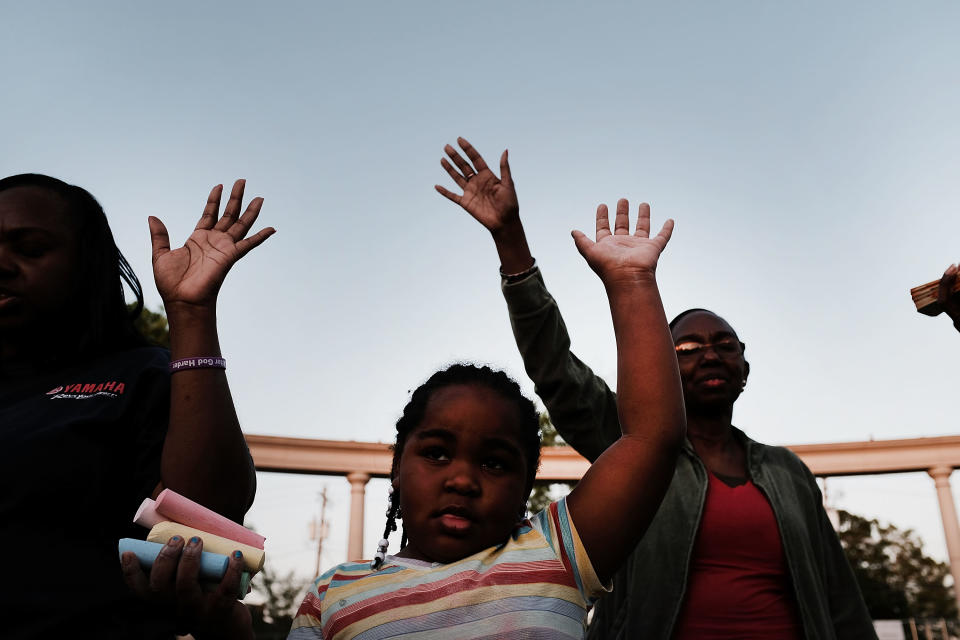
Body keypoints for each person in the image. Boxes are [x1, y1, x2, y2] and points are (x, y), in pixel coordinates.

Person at [121, 175, 686, 639]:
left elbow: (651, 437)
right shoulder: (333, 593)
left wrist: (633, 282)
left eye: (495, 462)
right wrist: (221, 622)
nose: (463, 479)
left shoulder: (557, 550)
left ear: (527, 484)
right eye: (437, 453)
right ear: (395, 468)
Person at [437, 137, 877, 640]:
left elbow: (840, 598)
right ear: (660, 368)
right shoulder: (634, 447)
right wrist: (511, 243)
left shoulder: (788, 470)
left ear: (744, 367)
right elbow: (554, 367)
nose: (709, 353)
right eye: (686, 350)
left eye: (724, 344)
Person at [0, 175, 273, 638]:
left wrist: (191, 312)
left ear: (86, 266)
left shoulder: (141, 376)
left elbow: (208, 530)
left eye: (29, 248)